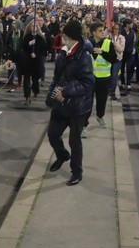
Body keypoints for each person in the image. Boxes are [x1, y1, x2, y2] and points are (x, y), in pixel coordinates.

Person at [47, 20, 94, 186]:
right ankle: (62, 156)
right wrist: (50, 97)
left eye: (64, 35)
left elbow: (87, 83)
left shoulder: (84, 56)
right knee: (53, 134)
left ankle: (77, 172)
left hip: (77, 107)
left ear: (70, 37)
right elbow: (57, 77)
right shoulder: (63, 53)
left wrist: (65, 91)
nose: (62, 38)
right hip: (60, 104)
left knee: (75, 141)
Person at [87, 21, 117, 129]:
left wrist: (102, 52)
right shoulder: (87, 43)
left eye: (103, 30)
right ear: (93, 32)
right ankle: (84, 124)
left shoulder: (108, 43)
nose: (103, 32)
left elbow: (114, 59)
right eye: (100, 30)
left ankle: (100, 116)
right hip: (89, 78)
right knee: (87, 102)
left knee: (102, 100)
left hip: (104, 78)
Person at [18, 18, 47, 105]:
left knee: (35, 79)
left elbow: (43, 49)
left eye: (35, 26)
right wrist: (29, 44)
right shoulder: (26, 37)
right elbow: (22, 47)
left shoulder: (40, 38)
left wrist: (36, 54)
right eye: (32, 26)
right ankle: (27, 95)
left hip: (36, 61)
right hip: (27, 61)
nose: (33, 27)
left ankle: (35, 91)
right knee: (26, 79)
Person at [108, 22, 124, 101]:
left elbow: (121, 49)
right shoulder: (109, 37)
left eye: (117, 29)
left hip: (117, 59)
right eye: (115, 28)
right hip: (109, 59)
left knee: (114, 76)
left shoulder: (121, 38)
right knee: (108, 76)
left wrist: (114, 43)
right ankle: (108, 89)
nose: (116, 30)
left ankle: (112, 92)